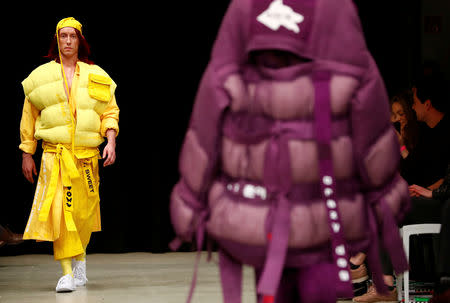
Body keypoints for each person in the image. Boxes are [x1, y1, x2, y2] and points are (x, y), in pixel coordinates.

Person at [169, 1, 410, 303]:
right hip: (325, 201)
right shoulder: (335, 9)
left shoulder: (246, 9)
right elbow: (368, 105)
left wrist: (191, 197)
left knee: (274, 287)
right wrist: (385, 192)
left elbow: (211, 101)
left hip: (265, 200)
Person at [19, 17, 119, 293]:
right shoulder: (40, 77)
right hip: (55, 154)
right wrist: (28, 152)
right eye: (62, 36)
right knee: (60, 212)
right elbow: (29, 117)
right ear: (56, 40)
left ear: (80, 40)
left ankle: (80, 261)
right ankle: (65, 272)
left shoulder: (95, 74)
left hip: (87, 157)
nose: (67, 41)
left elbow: (109, 111)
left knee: (84, 215)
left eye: (72, 36)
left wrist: (110, 140)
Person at [401, 76, 450, 189]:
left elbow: (446, 179)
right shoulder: (422, 130)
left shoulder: (446, 131)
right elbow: (411, 172)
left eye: (415, 102)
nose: (412, 107)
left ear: (427, 104)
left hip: (437, 199)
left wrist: (424, 192)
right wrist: (401, 145)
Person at [389, 90, 419, 161]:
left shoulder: (417, 133)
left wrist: (402, 146)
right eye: (394, 115)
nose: (398, 119)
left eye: (401, 114)